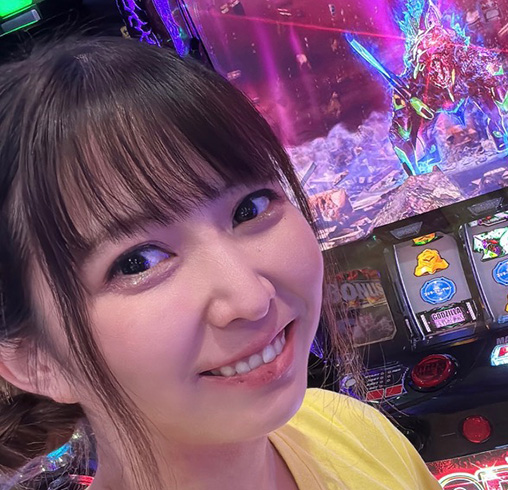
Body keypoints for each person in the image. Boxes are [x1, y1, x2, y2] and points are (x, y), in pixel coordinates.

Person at [0, 36, 442, 490]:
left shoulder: (354, 431)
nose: (251, 299)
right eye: (137, 262)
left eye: (250, 208)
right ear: (36, 361)